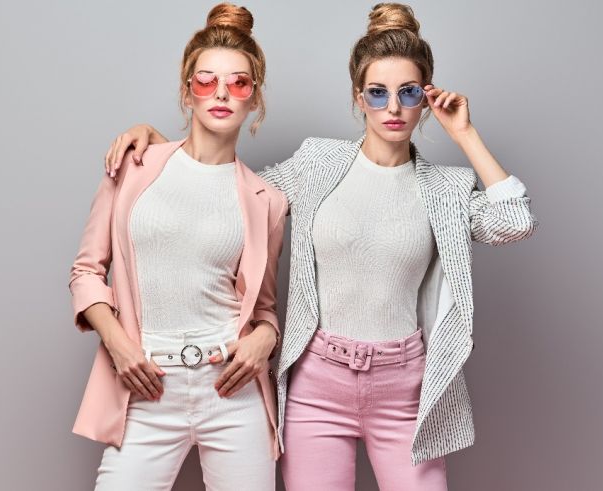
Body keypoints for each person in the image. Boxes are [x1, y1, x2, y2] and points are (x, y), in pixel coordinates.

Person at [103, 3, 537, 490]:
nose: (393, 108)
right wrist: (160, 148)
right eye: (377, 93)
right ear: (359, 98)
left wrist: (464, 133)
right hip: (318, 385)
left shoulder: (445, 188)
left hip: (405, 390)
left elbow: (513, 221)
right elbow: (235, 192)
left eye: (408, 92)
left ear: (426, 98)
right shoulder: (318, 165)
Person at [68, 4, 286, 490]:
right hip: (146, 385)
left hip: (232, 392)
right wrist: (119, 345)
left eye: (239, 83)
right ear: (187, 91)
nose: (223, 93)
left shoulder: (266, 202)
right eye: (206, 81)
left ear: (255, 100)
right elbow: (85, 272)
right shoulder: (134, 166)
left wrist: (266, 338)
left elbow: (264, 307)